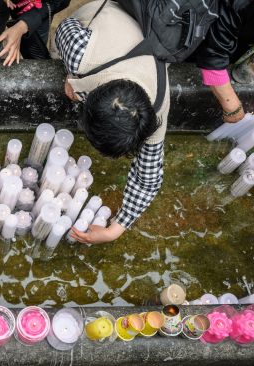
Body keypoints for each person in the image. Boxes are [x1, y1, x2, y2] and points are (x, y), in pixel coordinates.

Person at [53, 0, 169, 244]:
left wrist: (114, 230)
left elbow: (148, 178)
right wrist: (73, 77)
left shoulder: (156, 108)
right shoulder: (79, 55)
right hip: (105, 15)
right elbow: (64, 27)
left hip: (143, 32)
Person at [0, 0, 69, 65]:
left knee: (36, 48)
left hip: (41, 8)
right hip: (2, 4)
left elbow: (62, 1)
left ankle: (34, 64)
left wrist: (23, 25)